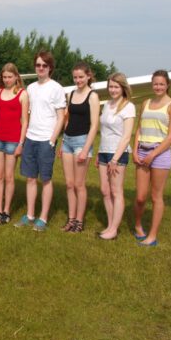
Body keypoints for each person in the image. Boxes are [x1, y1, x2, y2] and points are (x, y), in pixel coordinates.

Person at [18, 50, 66, 231]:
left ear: (50, 68)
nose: (40, 68)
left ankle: (43, 218)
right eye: (38, 65)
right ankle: (29, 215)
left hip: (46, 139)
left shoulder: (56, 88)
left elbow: (61, 117)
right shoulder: (30, 88)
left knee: (45, 179)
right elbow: (26, 115)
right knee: (30, 178)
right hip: (31, 137)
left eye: (44, 65)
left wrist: (52, 139)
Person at [133, 70, 171, 246]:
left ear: (167, 85)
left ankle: (152, 236)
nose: (158, 87)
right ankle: (138, 226)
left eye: (161, 84)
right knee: (140, 197)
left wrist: (153, 154)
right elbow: (140, 128)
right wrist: (135, 150)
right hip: (142, 152)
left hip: (160, 153)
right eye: (155, 84)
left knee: (156, 196)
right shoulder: (145, 103)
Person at [60, 62, 100, 233]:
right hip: (67, 141)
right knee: (69, 184)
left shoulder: (93, 96)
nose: (78, 80)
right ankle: (71, 218)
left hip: (82, 142)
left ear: (88, 76)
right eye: (75, 77)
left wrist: (85, 149)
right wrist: (62, 143)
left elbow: (94, 125)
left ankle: (79, 221)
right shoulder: (70, 94)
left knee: (79, 184)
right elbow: (67, 119)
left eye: (81, 77)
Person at [96, 73, 136, 240]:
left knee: (116, 191)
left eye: (116, 87)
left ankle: (114, 229)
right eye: (110, 87)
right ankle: (111, 225)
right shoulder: (107, 105)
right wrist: (99, 153)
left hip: (118, 153)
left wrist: (115, 159)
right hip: (104, 151)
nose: (113, 90)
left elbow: (127, 136)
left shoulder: (128, 106)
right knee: (105, 191)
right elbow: (104, 131)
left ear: (123, 88)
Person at [0, 63, 29, 224]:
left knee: (9, 176)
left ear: (16, 77)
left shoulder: (22, 94)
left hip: (13, 140)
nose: (7, 80)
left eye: (9, 77)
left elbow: (25, 121)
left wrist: (21, 143)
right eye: (4, 77)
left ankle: (6, 210)